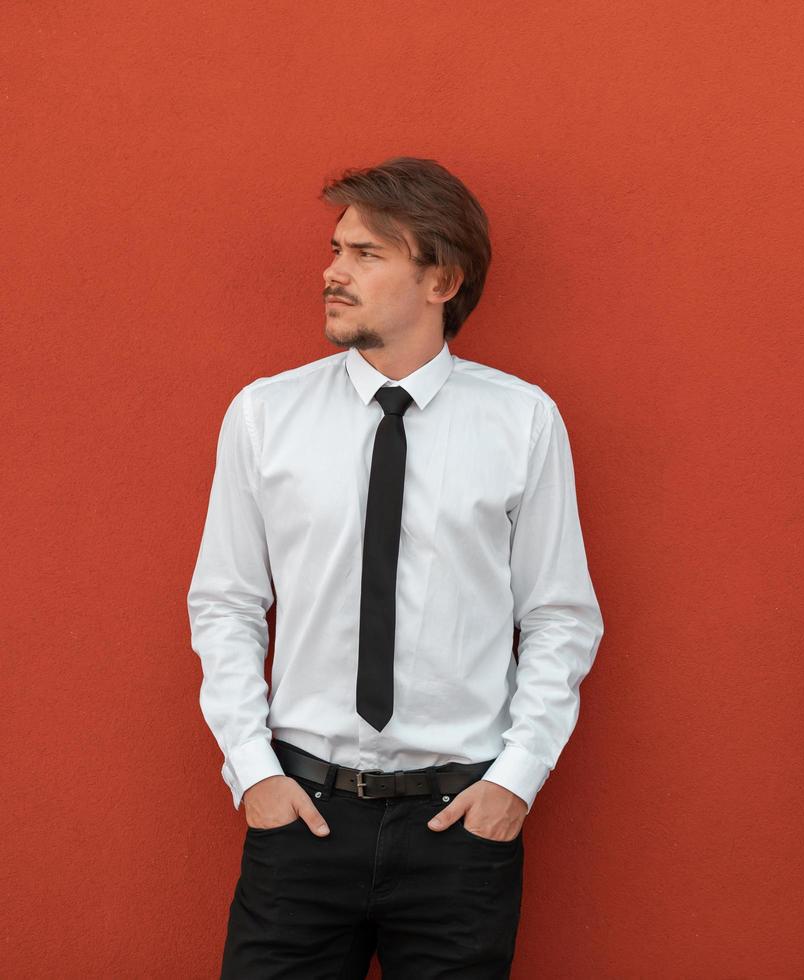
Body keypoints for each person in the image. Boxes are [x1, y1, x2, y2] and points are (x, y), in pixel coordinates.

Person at [187, 156, 603, 978]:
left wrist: (516, 778)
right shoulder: (265, 415)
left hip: (459, 829)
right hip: (301, 821)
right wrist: (254, 773)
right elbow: (228, 604)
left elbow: (559, 615)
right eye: (337, 248)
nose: (332, 272)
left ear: (441, 279)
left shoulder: (521, 421)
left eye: (367, 254)